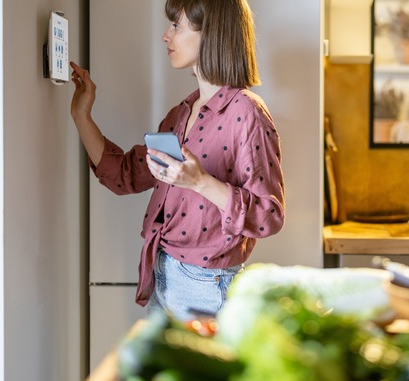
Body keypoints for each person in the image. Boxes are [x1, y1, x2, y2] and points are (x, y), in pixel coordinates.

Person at [69, 0, 285, 321]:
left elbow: (268, 215)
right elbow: (125, 175)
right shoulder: (181, 114)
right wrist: (81, 114)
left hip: (207, 286)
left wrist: (200, 182)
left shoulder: (247, 112)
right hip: (163, 272)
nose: (165, 36)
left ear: (209, 33)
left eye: (175, 26)